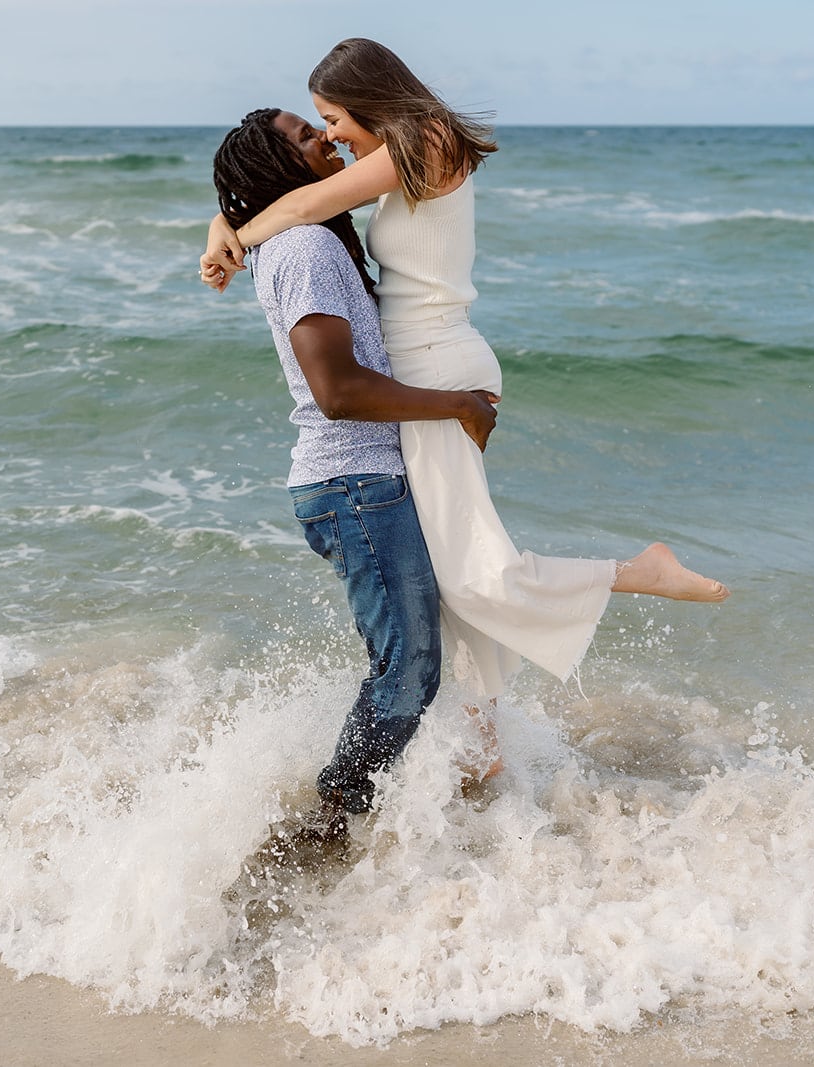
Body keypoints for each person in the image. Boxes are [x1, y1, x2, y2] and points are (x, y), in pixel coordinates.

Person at [201, 40, 728, 757]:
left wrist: (229, 234)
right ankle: (483, 735)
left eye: (330, 117)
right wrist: (225, 224)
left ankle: (640, 571)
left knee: (480, 576)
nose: (331, 135)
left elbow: (302, 202)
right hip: (425, 373)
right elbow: (293, 202)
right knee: (458, 572)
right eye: (318, 125)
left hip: (437, 368)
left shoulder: (425, 139)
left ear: (367, 97)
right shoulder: (398, 153)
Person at [212, 108, 501, 836]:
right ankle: (330, 819)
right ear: (281, 170)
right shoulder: (305, 246)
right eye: (307, 135)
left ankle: (370, 807)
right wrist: (454, 404)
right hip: (353, 485)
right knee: (408, 671)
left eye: (325, 123)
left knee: (409, 663)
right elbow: (337, 393)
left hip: (361, 483)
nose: (326, 138)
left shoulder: (306, 236)